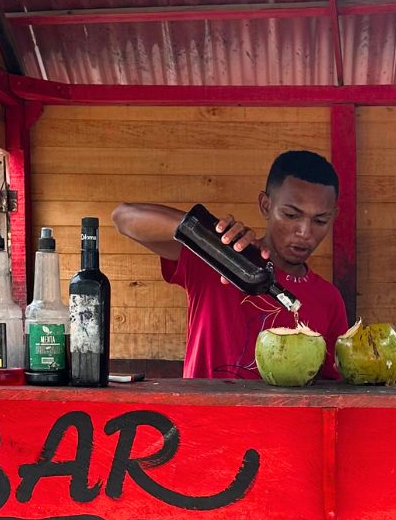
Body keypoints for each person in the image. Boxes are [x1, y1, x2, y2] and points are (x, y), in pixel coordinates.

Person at [112, 150, 349, 380]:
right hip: (203, 419)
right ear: (266, 205)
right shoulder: (218, 259)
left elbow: (331, 385)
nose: (304, 232)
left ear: (334, 216)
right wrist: (206, 235)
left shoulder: (328, 299)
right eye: (290, 215)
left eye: (320, 220)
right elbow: (123, 217)